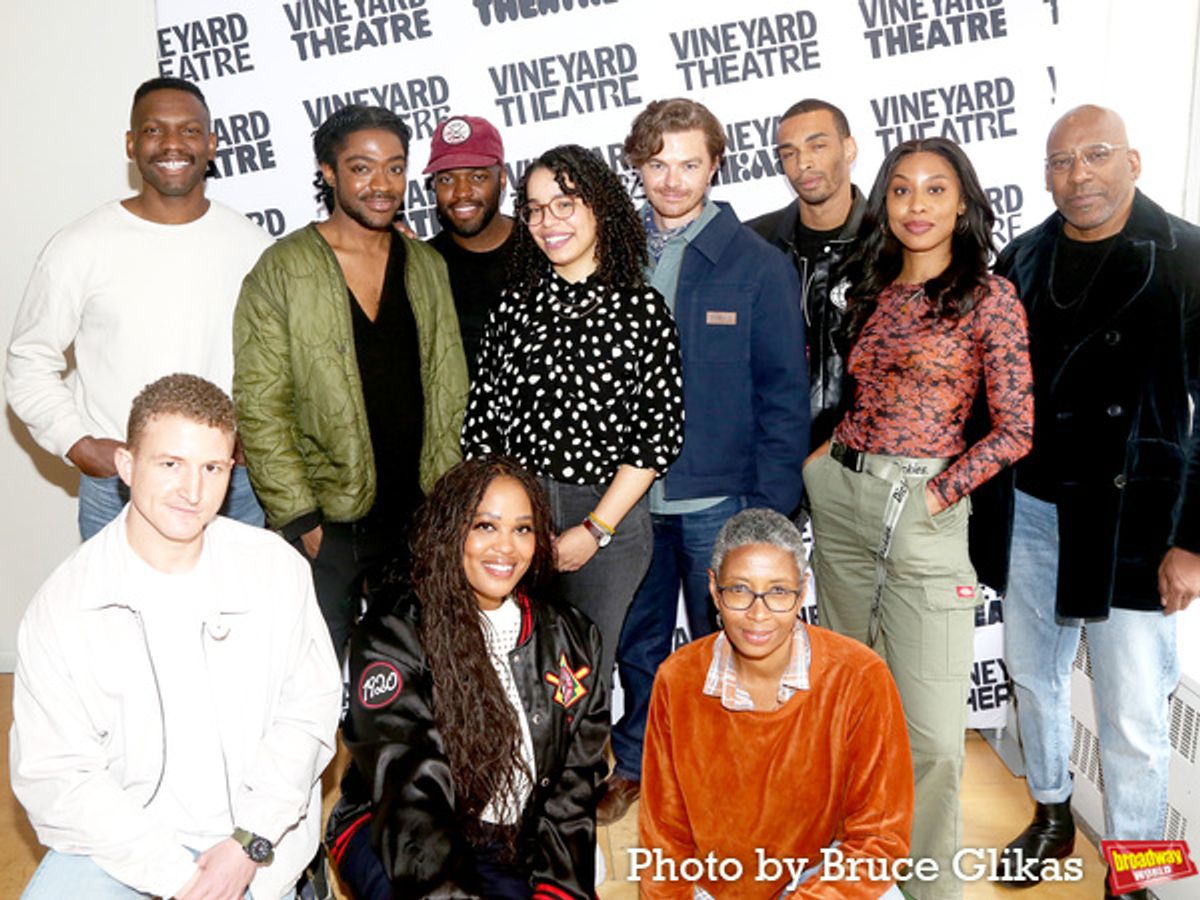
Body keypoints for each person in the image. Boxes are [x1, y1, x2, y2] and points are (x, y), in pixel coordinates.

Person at [803, 137, 1033, 900]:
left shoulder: (988, 295)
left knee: (932, 735)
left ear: (961, 201)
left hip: (924, 513)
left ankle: (930, 887)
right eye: (901, 190)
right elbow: (855, 393)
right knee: (848, 707)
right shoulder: (870, 284)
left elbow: (1016, 428)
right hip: (842, 501)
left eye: (936, 190)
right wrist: (824, 463)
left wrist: (941, 491)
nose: (917, 205)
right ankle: (857, 871)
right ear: (884, 202)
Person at [979, 105, 1200, 900]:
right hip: (1033, 507)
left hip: (1137, 524)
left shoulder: (1186, 255)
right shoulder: (1024, 256)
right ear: (1046, 175)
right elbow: (989, 391)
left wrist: (1194, 541)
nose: (1080, 176)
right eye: (1062, 161)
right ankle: (1049, 812)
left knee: (1136, 717)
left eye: (1097, 155)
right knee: (1032, 678)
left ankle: (1134, 875)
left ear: (1134, 161)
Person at [10, 374, 342, 900]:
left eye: (212, 468)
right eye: (170, 465)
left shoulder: (276, 571)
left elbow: (308, 717)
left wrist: (248, 844)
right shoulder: (66, 605)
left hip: (254, 846)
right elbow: (57, 776)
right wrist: (179, 879)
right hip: (121, 849)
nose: (192, 491)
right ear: (126, 466)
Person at [603, 98, 809, 824]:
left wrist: (765, 510)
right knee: (639, 645)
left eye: (689, 163)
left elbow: (786, 397)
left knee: (740, 648)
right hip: (628, 502)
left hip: (721, 504)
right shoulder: (614, 254)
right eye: (657, 164)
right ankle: (635, 762)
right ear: (636, 165)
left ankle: (739, 771)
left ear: (714, 165)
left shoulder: (757, 265)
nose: (672, 180)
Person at [234, 104, 468, 659]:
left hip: (418, 515)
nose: (381, 184)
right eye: (362, 168)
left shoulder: (426, 265)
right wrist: (299, 517)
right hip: (329, 519)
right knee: (310, 684)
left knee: (415, 679)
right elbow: (261, 403)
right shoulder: (282, 270)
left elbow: (449, 387)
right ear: (328, 172)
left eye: (394, 167)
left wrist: (449, 501)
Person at [325, 457, 609, 900]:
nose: (506, 548)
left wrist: (559, 888)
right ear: (450, 531)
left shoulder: (572, 638)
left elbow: (572, 790)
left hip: (514, 839)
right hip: (397, 832)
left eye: (523, 529)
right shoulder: (393, 634)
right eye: (485, 526)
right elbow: (410, 792)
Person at [5, 76, 271, 538]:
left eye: (189, 131)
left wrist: (253, 444)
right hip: (120, 490)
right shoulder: (80, 246)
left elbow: (281, 366)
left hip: (231, 489)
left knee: (232, 612)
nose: (172, 143)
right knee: (121, 614)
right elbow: (28, 360)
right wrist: (78, 443)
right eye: (153, 130)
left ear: (211, 144)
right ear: (131, 144)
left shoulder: (253, 246)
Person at [462, 143, 684, 690]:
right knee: (515, 674)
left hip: (606, 520)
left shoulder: (642, 310)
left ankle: (577, 779)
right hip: (519, 516)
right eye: (535, 209)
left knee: (578, 683)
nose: (546, 221)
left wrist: (593, 530)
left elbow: (656, 439)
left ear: (599, 208)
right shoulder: (514, 307)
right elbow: (482, 426)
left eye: (564, 203)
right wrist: (502, 526)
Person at [638, 508, 912, 899]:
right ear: (714, 589)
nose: (758, 613)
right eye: (739, 590)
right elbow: (664, 839)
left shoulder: (859, 675)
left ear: (803, 591)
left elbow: (880, 837)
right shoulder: (677, 679)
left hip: (821, 879)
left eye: (778, 591)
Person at [748, 98, 866, 450]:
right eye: (789, 153)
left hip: (869, 466)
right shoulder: (753, 245)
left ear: (849, 148)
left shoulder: (889, 242)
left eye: (818, 146)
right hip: (776, 458)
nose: (804, 163)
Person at [425, 115, 516, 380]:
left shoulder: (543, 248)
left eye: (477, 176)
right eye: (446, 180)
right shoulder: (424, 266)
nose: (462, 192)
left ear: (502, 180)